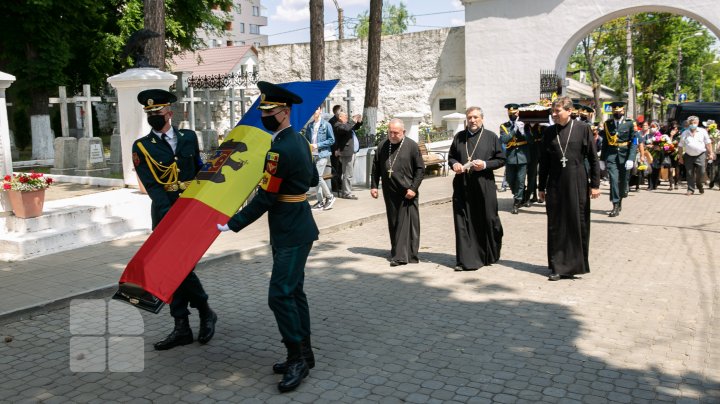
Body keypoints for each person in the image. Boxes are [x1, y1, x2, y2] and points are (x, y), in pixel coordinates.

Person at [216, 82, 318, 393]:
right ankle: (305, 353)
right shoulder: (298, 141)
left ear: (285, 113)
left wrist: (233, 224)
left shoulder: (280, 149)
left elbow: (265, 197)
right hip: (299, 225)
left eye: (269, 111)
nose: (264, 116)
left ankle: (296, 358)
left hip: (289, 230)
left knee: (279, 295)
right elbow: (312, 179)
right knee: (293, 292)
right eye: (263, 110)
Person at [132, 89, 217, 350]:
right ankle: (192, 317)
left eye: (157, 112)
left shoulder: (189, 137)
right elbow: (153, 187)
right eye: (150, 114)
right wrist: (170, 216)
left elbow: (200, 171)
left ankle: (194, 317)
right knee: (173, 267)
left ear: (170, 112)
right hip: (165, 213)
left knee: (183, 266)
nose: (154, 117)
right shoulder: (142, 147)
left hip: (190, 211)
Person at [538, 96, 601, 281]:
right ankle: (557, 266)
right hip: (555, 183)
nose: (554, 114)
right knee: (556, 224)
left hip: (577, 181)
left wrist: (595, 184)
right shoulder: (549, 132)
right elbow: (544, 162)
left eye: (558, 111)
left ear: (569, 111)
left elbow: (593, 158)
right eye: (553, 111)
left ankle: (575, 265)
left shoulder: (583, 129)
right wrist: (541, 186)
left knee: (576, 221)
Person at [448, 106, 506, 271]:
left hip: (484, 185)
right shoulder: (459, 137)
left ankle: (488, 254)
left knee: (488, 219)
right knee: (463, 222)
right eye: (469, 117)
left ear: (482, 118)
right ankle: (465, 260)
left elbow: (501, 160)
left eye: (475, 117)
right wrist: (455, 164)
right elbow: (451, 157)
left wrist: (485, 165)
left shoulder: (491, 137)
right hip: (462, 185)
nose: (472, 120)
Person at [370, 119, 425, 267]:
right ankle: (397, 250)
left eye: (396, 133)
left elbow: (420, 169)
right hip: (390, 192)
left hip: (407, 191)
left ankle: (403, 256)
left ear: (403, 132)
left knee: (406, 223)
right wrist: (374, 186)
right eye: (390, 132)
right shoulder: (383, 145)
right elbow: (375, 167)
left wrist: (413, 188)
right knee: (394, 222)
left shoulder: (412, 146)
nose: (393, 135)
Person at [600, 101, 636, 217]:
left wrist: (631, 158)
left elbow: (634, 142)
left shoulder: (630, 124)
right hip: (611, 155)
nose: (617, 113)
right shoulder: (607, 124)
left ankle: (620, 199)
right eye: (614, 111)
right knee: (613, 180)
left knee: (623, 181)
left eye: (619, 111)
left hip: (625, 156)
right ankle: (615, 205)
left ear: (623, 111)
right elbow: (605, 142)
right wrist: (602, 159)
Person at [303, 107, 336, 210]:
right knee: (316, 178)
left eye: (316, 109)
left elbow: (331, 140)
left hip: (323, 154)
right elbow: (307, 140)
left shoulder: (326, 125)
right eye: (313, 109)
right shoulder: (310, 125)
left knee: (318, 177)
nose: (314, 111)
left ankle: (330, 197)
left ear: (320, 110)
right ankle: (320, 201)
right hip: (313, 155)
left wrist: (317, 145)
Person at [499, 103, 530, 214]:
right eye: (510, 114)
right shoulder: (504, 126)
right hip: (511, 157)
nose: (512, 115)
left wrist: (522, 131)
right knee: (510, 180)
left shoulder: (525, 125)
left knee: (520, 181)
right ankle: (520, 194)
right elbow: (504, 139)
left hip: (523, 157)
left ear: (518, 113)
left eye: (514, 113)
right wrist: (514, 130)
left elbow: (530, 140)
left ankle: (516, 202)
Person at [677, 115, 714, 195]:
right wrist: (680, 157)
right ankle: (690, 189)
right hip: (688, 155)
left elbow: (708, 143)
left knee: (701, 172)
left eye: (695, 122)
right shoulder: (685, 133)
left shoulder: (702, 131)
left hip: (700, 154)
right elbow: (680, 145)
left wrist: (711, 153)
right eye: (691, 122)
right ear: (688, 123)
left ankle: (699, 185)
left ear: (697, 123)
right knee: (689, 173)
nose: (693, 124)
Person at [333, 111, 363, 199]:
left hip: (351, 152)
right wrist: (353, 121)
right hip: (346, 152)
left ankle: (347, 191)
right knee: (347, 173)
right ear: (340, 117)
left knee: (349, 173)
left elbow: (355, 127)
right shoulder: (338, 125)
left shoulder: (347, 125)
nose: (347, 117)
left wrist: (359, 121)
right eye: (345, 116)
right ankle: (346, 193)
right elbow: (346, 129)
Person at [328, 105, 343, 194]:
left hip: (341, 148)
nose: (342, 111)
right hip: (335, 149)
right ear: (336, 112)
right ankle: (335, 187)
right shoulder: (332, 122)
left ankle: (340, 185)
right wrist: (336, 149)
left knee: (340, 168)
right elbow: (333, 138)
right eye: (341, 110)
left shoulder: (341, 120)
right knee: (335, 168)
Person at [706, 120, 720, 189]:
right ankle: (712, 181)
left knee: (717, 169)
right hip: (711, 152)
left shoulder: (718, 132)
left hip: (718, 152)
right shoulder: (706, 133)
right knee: (712, 168)